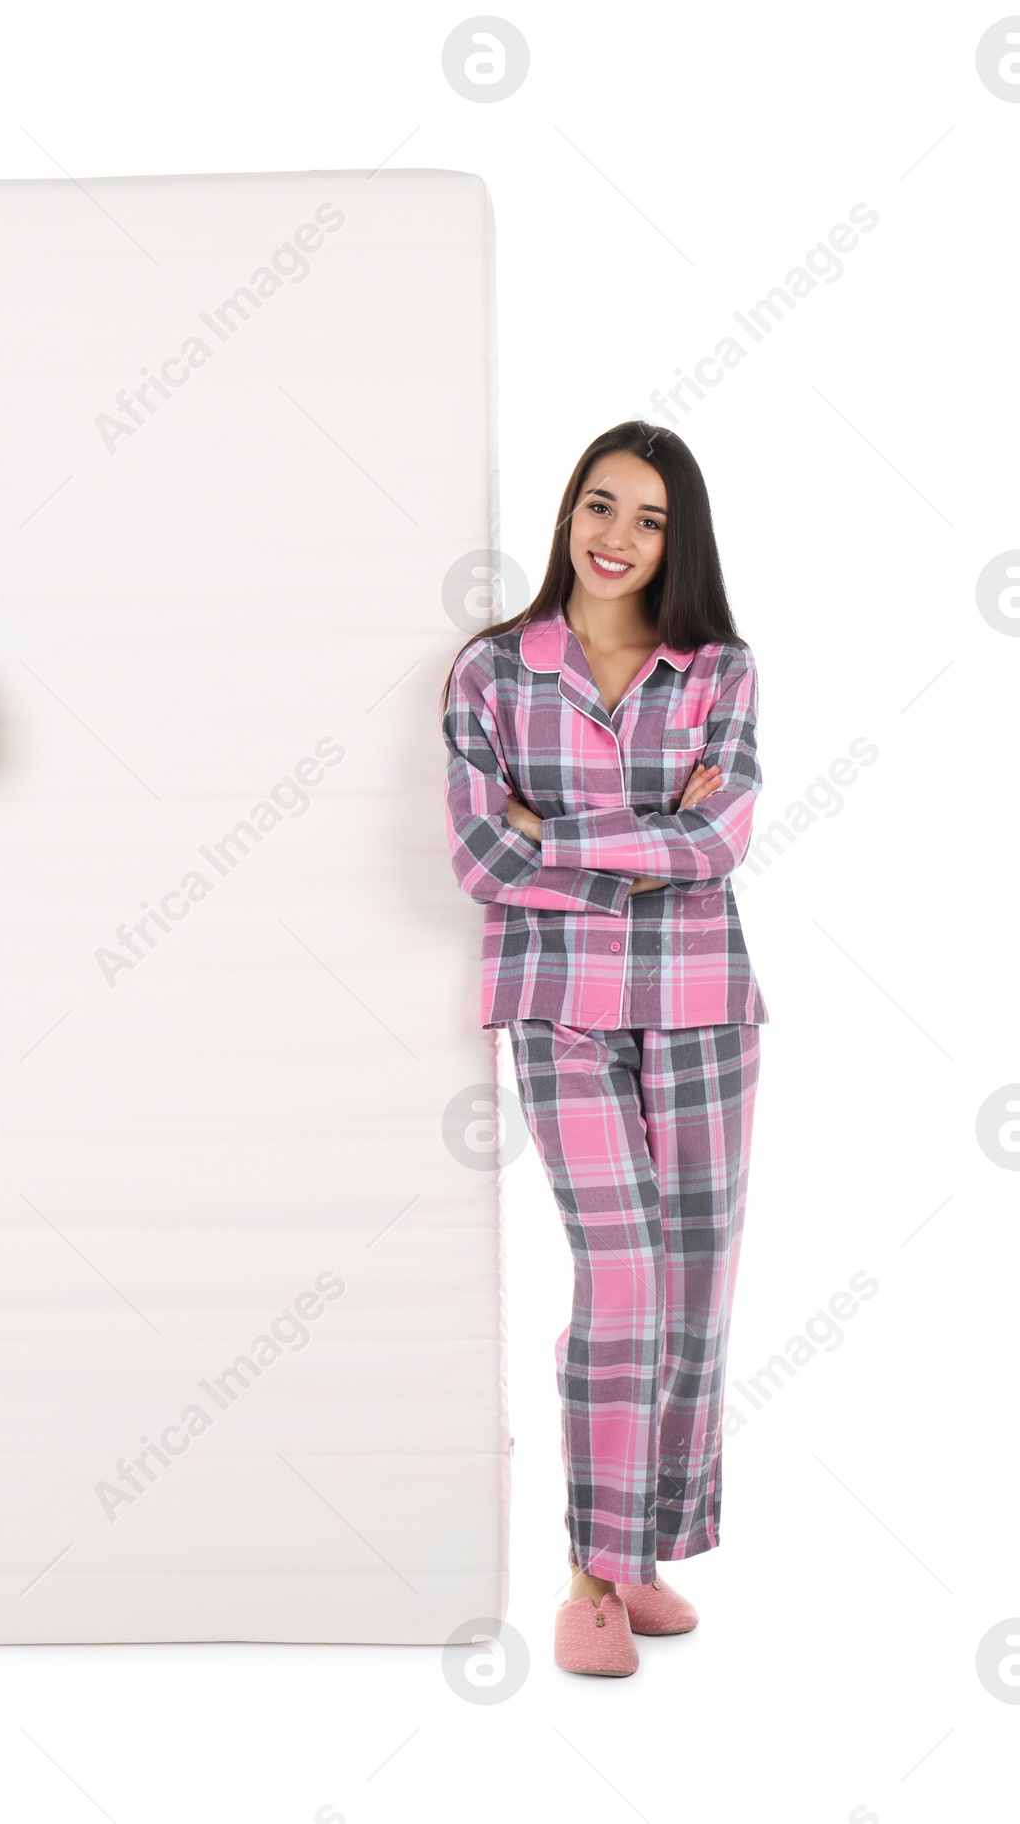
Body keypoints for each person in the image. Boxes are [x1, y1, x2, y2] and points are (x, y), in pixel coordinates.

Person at [441, 420, 767, 1677]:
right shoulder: (492, 674)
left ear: (677, 542)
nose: (616, 538)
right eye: (599, 505)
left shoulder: (719, 670)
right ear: (567, 512)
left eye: (648, 519)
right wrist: (639, 836)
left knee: (691, 1293)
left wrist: (560, 835)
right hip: (558, 1007)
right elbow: (481, 857)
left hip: (702, 1009)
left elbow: (718, 844)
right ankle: (586, 1575)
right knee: (622, 1276)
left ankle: (639, 1556)